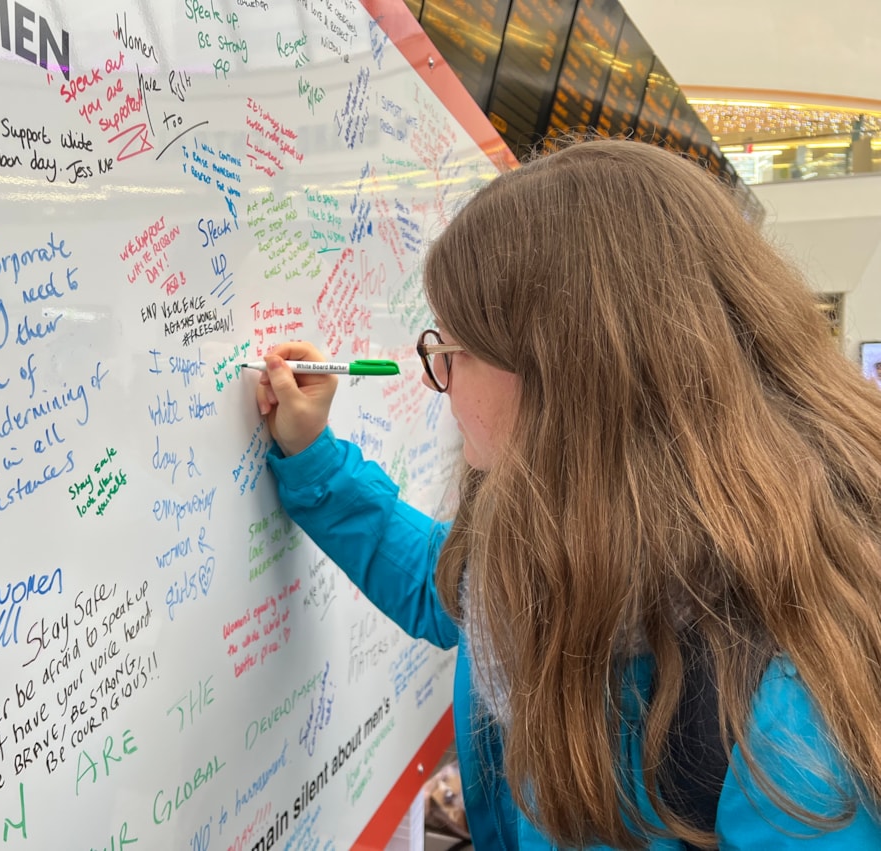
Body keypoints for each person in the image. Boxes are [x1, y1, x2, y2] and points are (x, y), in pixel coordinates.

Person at [253, 138, 881, 849]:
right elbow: (446, 586)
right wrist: (313, 459)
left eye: (451, 349)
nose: (441, 379)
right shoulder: (559, 549)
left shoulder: (786, 717)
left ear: (564, 376)